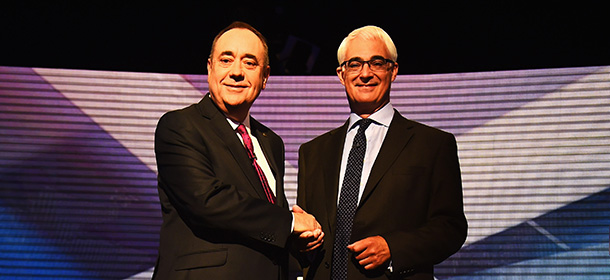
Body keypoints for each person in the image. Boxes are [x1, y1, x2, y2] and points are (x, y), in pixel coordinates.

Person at [153, 21, 323, 280]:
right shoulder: (179, 125)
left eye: (249, 63)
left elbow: (259, 226)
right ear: (210, 68)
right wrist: (289, 223)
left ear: (265, 77)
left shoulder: (271, 141)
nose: (236, 72)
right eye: (226, 60)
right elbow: (207, 200)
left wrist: (297, 241)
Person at [296, 26, 467, 280]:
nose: (365, 73)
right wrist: (301, 242)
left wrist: (393, 248)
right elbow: (308, 238)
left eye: (376, 63)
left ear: (393, 71)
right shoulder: (312, 152)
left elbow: (451, 228)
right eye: (354, 64)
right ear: (341, 74)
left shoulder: (432, 144)